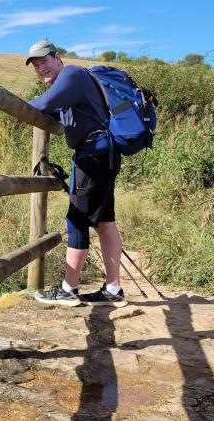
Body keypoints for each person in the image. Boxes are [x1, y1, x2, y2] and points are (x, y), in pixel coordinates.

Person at [26, 39, 127, 308]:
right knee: (105, 221)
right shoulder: (72, 84)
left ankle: (69, 289)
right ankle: (113, 289)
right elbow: (58, 115)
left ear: (57, 58)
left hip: (94, 156)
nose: (40, 68)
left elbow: (39, 105)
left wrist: (5, 102)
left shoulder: (71, 75)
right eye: (35, 65)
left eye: (44, 61)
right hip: (102, 155)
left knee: (77, 219)